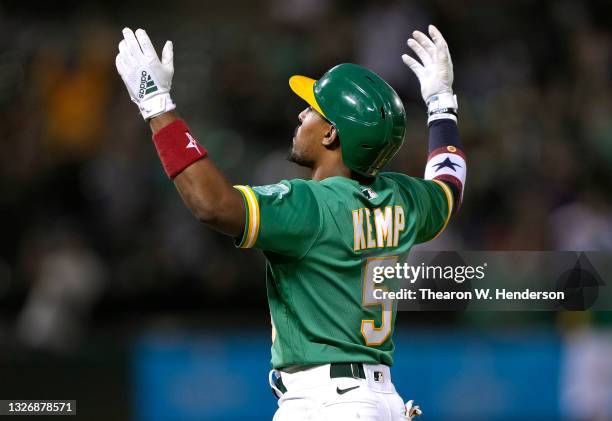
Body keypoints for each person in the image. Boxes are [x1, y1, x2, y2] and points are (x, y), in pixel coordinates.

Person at [115, 24, 465, 421]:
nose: (302, 113)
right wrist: (442, 104)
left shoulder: (310, 206)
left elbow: (212, 204)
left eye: (313, 109)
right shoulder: (405, 199)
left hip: (327, 404)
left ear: (332, 134)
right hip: (380, 401)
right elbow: (449, 186)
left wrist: (156, 105)